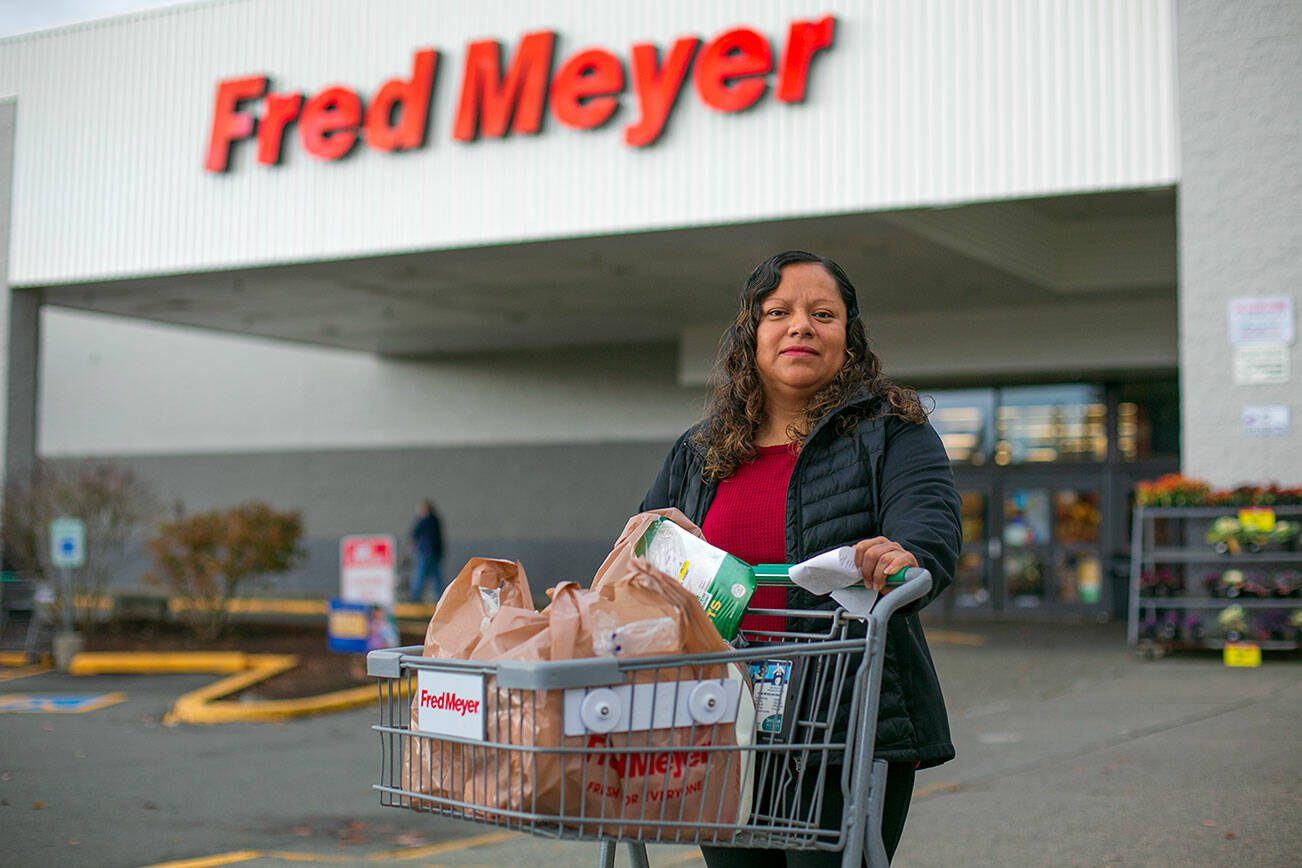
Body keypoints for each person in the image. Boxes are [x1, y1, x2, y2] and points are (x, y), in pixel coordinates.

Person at [640, 250, 962, 866]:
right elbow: (640, 553)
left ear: (849, 335)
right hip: (720, 718)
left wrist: (907, 553)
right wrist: (651, 538)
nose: (801, 327)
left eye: (823, 314)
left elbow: (931, 529)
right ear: (750, 336)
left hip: (846, 714)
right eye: (778, 312)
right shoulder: (701, 450)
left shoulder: (891, 431)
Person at [407, 499, 445, 603]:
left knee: (420, 575)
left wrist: (410, 546)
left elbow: (414, 534)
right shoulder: (436, 520)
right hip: (435, 553)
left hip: (425, 553)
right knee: (436, 577)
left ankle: (414, 598)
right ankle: (441, 598)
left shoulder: (424, 520)